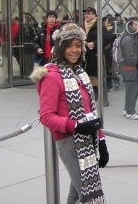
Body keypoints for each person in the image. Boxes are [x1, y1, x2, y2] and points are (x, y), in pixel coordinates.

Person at [30, 23, 109, 203]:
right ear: (60, 47)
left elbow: (90, 112)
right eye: (69, 45)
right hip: (69, 142)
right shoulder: (51, 76)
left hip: (88, 140)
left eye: (78, 45)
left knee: (76, 195)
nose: (75, 50)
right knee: (89, 196)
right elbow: (46, 116)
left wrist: (101, 140)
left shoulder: (80, 73)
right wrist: (76, 126)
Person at [83, 7, 111, 106]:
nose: (87, 15)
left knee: (100, 78)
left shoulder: (99, 25)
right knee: (86, 78)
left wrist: (94, 43)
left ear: (95, 15)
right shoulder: (82, 25)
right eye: (86, 13)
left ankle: (104, 101)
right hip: (84, 57)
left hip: (96, 56)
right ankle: (89, 100)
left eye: (90, 13)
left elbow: (108, 38)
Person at [120, 17, 138, 120]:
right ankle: (131, 111)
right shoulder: (128, 38)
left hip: (131, 67)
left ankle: (127, 109)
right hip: (130, 68)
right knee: (132, 90)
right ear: (130, 26)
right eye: (136, 25)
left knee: (131, 89)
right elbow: (129, 57)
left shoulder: (130, 36)